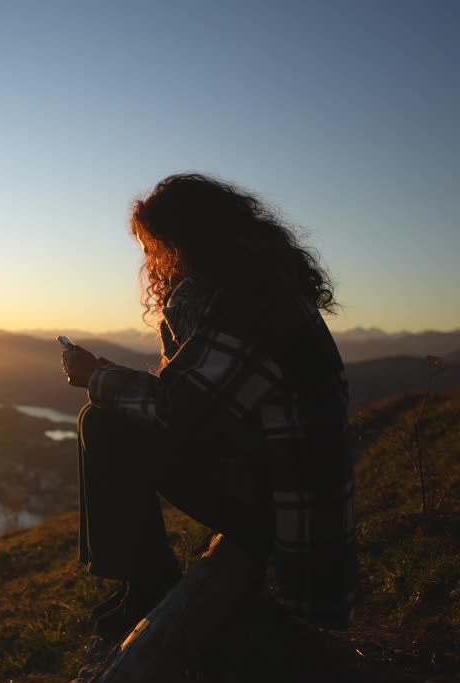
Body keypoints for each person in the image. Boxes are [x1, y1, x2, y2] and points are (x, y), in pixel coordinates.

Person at [61, 173, 356, 642]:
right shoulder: (259, 290)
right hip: (275, 484)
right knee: (107, 415)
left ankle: (149, 583)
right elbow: (197, 398)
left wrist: (96, 377)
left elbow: (180, 409)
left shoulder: (249, 306)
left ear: (184, 241)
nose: (151, 260)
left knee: (105, 424)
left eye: (154, 246)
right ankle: (141, 579)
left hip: (280, 505)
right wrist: (108, 378)